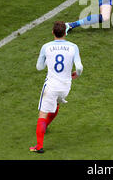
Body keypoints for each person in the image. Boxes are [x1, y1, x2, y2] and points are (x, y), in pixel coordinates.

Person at [30, 21, 83, 153]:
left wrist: (47, 61)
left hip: (51, 86)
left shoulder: (46, 47)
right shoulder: (73, 47)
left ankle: (39, 146)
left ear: (53, 32)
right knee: (56, 105)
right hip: (65, 86)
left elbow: (39, 67)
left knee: (42, 114)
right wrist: (77, 74)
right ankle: (46, 125)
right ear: (65, 32)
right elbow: (80, 67)